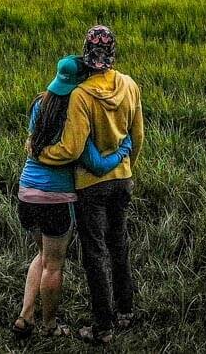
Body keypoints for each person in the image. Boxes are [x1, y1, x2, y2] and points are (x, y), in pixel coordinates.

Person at [13, 55, 133, 340]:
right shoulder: (78, 111)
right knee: (54, 265)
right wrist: (123, 148)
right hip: (55, 198)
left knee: (42, 255)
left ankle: (24, 316)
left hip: (26, 192)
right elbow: (97, 164)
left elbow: (33, 141)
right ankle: (50, 326)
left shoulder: (39, 104)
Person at [39, 25, 144, 345]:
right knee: (119, 244)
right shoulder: (129, 84)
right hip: (122, 178)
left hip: (90, 186)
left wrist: (43, 153)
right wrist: (127, 169)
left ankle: (103, 327)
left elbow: (71, 149)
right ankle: (126, 311)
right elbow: (137, 137)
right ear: (112, 55)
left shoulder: (81, 95)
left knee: (95, 253)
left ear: (87, 54)